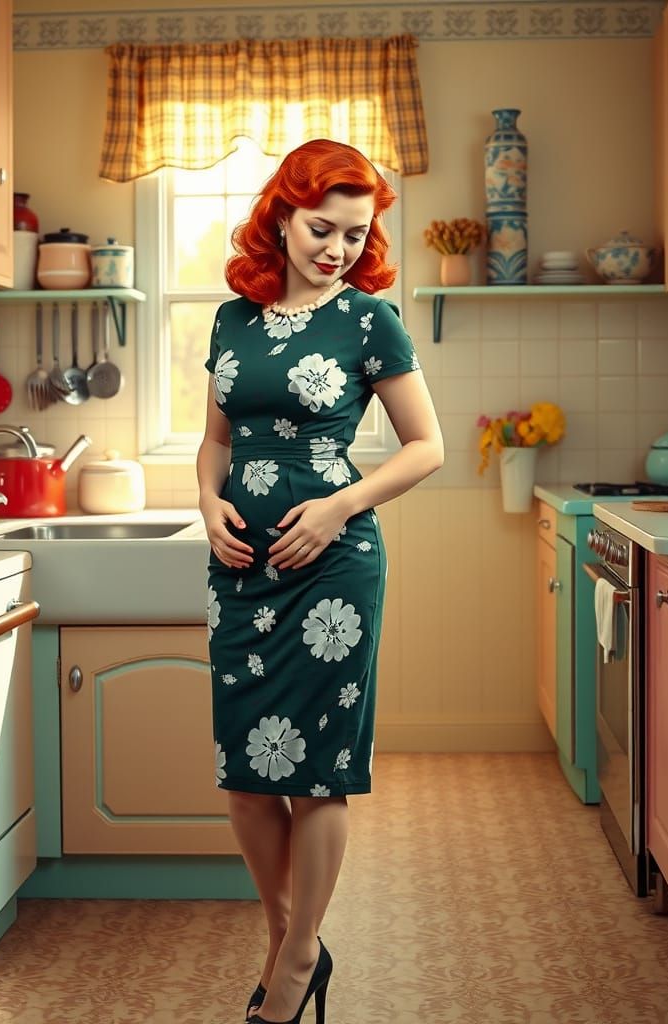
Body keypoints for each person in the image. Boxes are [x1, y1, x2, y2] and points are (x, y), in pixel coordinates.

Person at [196, 138, 444, 1024]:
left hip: (331, 570)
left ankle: (297, 959)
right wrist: (205, 500)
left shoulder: (369, 321)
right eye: (320, 228)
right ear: (282, 217)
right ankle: (287, 934)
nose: (336, 248)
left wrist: (342, 506)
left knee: (316, 774)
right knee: (247, 774)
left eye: (354, 233)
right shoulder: (232, 320)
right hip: (241, 566)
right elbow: (218, 440)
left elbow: (427, 447)